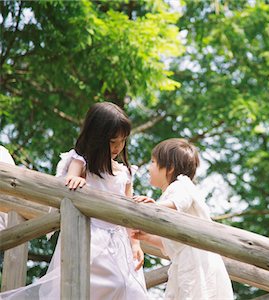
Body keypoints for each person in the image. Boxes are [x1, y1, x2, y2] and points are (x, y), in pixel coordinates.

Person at [0, 102, 148, 299]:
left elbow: (128, 214)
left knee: (124, 286)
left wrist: (135, 244)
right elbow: (70, 179)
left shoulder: (125, 172)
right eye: (113, 141)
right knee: (90, 283)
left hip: (118, 240)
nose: (118, 147)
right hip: (89, 235)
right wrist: (77, 178)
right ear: (97, 139)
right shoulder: (81, 161)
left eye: (123, 141)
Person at [132, 138, 233, 300]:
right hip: (185, 263)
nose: (149, 167)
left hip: (198, 264)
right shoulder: (171, 194)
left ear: (169, 168)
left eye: (153, 162)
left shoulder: (181, 185)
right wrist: (145, 237)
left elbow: (180, 201)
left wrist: (154, 207)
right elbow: (170, 243)